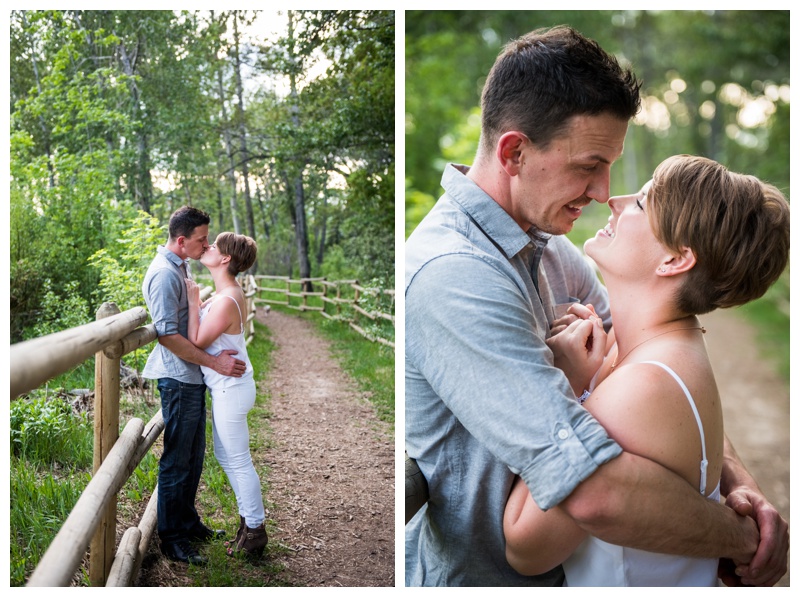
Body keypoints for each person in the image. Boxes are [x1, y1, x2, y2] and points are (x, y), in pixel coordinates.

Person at [405, 26, 788, 586]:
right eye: (589, 164)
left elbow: (648, 374)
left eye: (611, 165)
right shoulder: (454, 275)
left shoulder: (554, 248)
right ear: (515, 152)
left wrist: (734, 482)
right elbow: (591, 489)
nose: (605, 190)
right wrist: (739, 538)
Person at [503, 155, 790, 586]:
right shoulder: (642, 343)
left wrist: (564, 384)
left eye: (642, 202)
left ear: (675, 260)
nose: (615, 200)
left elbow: (525, 548)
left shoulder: (644, 386)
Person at [142, 206, 246, 565]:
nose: (206, 245)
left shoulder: (180, 265)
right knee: (177, 460)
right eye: (202, 239)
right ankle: (172, 538)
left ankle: (188, 523)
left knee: (193, 456)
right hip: (178, 378)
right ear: (182, 240)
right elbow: (167, 335)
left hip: (192, 377)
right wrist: (216, 362)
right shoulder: (163, 275)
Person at [183, 232, 269, 559]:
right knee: (225, 455)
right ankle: (249, 522)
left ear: (225, 259)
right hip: (228, 389)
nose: (208, 248)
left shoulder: (226, 298)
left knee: (239, 460)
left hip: (231, 390)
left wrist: (193, 304)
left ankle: (255, 529)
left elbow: (197, 341)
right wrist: (201, 303)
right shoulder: (225, 294)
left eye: (214, 247)